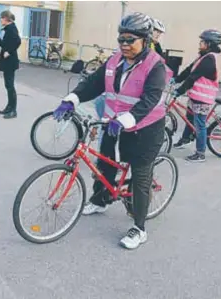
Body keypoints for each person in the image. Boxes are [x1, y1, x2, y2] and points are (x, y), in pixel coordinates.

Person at [53, 12, 171, 250]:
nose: (124, 45)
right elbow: (94, 83)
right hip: (113, 124)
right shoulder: (115, 60)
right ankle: (101, 200)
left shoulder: (155, 65)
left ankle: (139, 228)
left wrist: (127, 119)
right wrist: (72, 99)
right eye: (121, 39)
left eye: (130, 40)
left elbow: (150, 100)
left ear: (145, 40)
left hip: (146, 129)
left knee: (140, 178)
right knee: (104, 164)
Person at [171, 29, 221, 162]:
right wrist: (176, 79)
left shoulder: (210, 59)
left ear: (209, 44)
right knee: (189, 117)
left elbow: (193, 77)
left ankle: (200, 153)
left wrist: (179, 91)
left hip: (203, 98)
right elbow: (190, 69)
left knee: (199, 125)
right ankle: (185, 139)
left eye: (203, 41)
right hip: (196, 96)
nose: (200, 43)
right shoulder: (204, 56)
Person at [0, 10, 22, 119]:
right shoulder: (8, 29)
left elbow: (18, 41)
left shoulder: (11, 28)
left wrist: (10, 51)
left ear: (5, 18)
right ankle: (9, 107)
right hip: (8, 62)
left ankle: (13, 110)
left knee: (10, 86)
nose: (0, 20)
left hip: (10, 62)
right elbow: (6, 44)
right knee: (8, 85)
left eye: (1, 18)